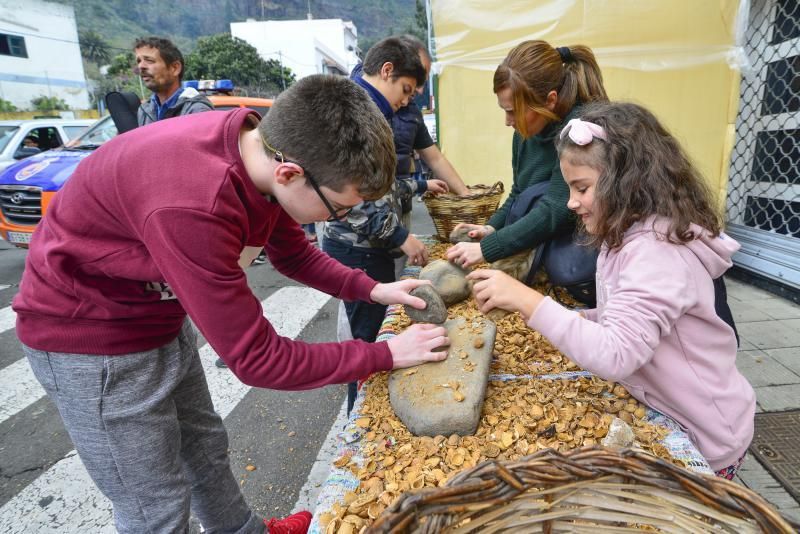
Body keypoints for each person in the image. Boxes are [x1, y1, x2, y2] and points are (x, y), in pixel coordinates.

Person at [13, 75, 450, 534]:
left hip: (155, 311)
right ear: (290, 174)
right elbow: (259, 360)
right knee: (154, 502)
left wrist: (373, 290)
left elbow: (293, 252)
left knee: (203, 445)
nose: (339, 218)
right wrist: (384, 355)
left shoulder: (259, 151)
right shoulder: (195, 204)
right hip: (91, 336)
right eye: (339, 208)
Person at [468, 102, 755, 478]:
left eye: (581, 188)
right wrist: (566, 317)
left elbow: (618, 353)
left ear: (626, 182)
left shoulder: (657, 252)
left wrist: (530, 300)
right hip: (670, 408)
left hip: (707, 434)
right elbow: (619, 316)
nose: (570, 203)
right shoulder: (625, 237)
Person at [446, 40, 608, 270]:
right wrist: (491, 229)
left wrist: (487, 248)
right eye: (505, 111)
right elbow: (519, 193)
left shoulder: (581, 131)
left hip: (577, 249)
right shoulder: (525, 132)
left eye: (513, 112)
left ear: (550, 100)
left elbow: (556, 208)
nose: (507, 121)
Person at [391, 35, 469, 231]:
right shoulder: (358, 105)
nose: (419, 89)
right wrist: (423, 185)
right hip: (357, 227)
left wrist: (467, 197)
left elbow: (435, 158)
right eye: (414, 82)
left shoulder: (411, 111)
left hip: (398, 209)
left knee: (399, 260)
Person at [134, 36, 213, 126]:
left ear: (175, 68)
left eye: (149, 60)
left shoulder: (197, 110)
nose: (141, 66)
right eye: (139, 61)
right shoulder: (144, 111)